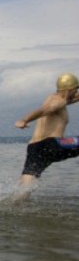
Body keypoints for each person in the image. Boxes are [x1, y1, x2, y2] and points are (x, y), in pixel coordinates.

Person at [10, 73, 79, 202]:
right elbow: (43, 110)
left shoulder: (58, 98)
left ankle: (11, 207)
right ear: (69, 90)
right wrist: (25, 120)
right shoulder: (57, 101)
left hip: (35, 148)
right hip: (52, 145)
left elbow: (74, 98)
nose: (77, 92)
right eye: (76, 89)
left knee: (26, 186)